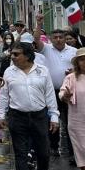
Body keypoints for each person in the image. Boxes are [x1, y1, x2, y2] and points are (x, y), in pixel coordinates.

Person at [0, 42, 59, 170]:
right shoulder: (9, 72)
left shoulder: (42, 71)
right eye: (12, 54)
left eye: (16, 54)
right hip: (17, 118)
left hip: (39, 117)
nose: (12, 57)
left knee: (43, 153)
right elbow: (4, 95)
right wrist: (1, 116)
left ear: (28, 55)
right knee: (20, 155)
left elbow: (50, 95)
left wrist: (54, 116)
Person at [32, 14, 76, 159]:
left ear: (65, 38)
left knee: (70, 122)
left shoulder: (73, 52)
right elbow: (36, 40)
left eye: (61, 37)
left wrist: (75, 71)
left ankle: (72, 152)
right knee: (52, 120)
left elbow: (82, 69)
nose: (58, 39)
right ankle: (53, 147)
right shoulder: (47, 49)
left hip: (70, 92)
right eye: (55, 37)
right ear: (51, 39)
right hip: (51, 92)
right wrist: (39, 24)